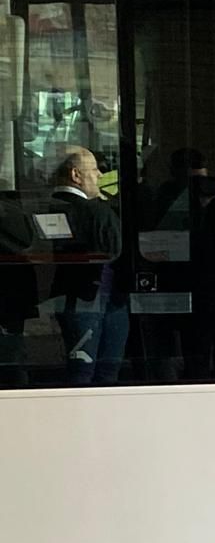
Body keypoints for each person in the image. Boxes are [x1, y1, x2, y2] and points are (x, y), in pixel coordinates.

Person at [45, 146, 127, 385]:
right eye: (94, 169)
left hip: (83, 296)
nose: (101, 175)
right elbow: (113, 246)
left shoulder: (50, 204)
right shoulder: (94, 209)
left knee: (85, 371)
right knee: (95, 373)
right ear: (76, 175)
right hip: (92, 297)